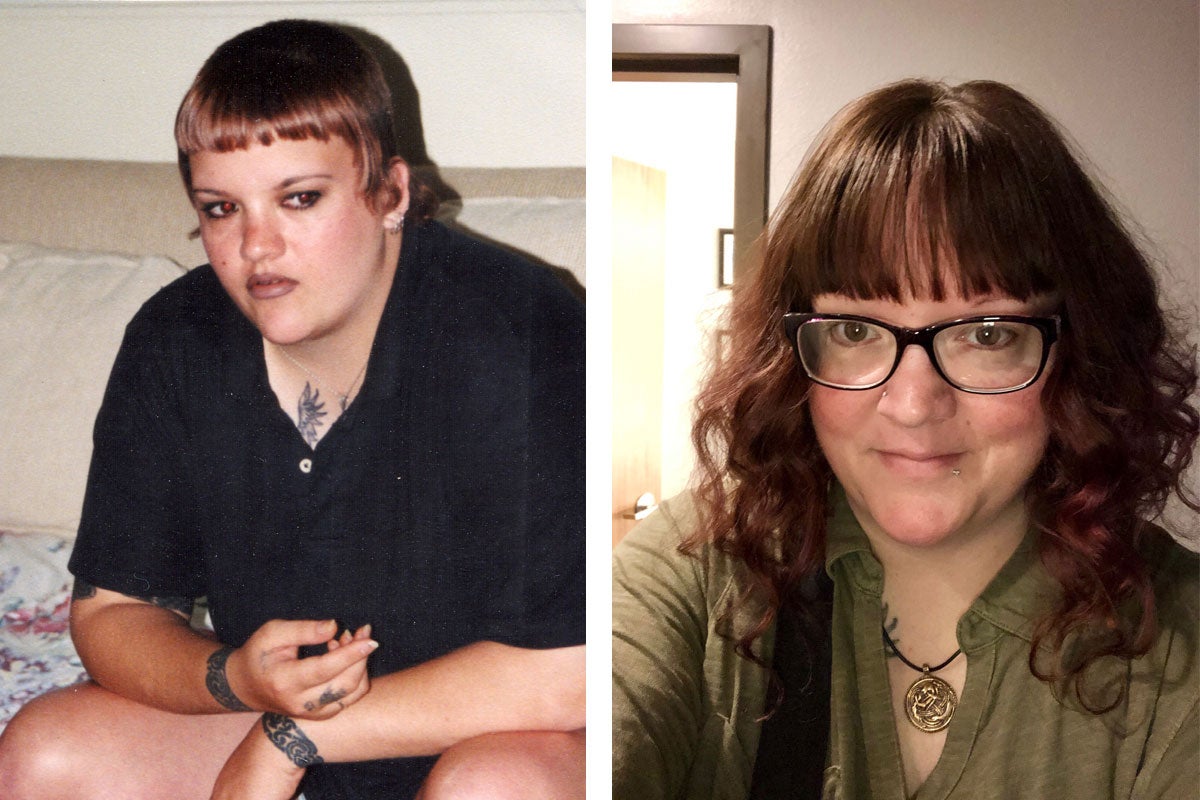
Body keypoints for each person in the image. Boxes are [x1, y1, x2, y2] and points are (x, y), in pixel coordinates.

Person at [0, 19, 584, 800]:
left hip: (489, 728)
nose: (256, 247)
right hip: (271, 717)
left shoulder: (518, 327)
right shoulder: (176, 339)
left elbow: (575, 668)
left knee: (496, 788)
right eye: (220, 209)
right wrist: (232, 676)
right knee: (46, 753)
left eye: (299, 198)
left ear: (392, 193)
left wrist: (288, 742)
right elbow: (112, 614)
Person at [613, 78, 1197, 800]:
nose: (914, 404)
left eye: (988, 334)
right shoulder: (697, 569)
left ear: (1079, 353)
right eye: (856, 331)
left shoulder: (1180, 645)